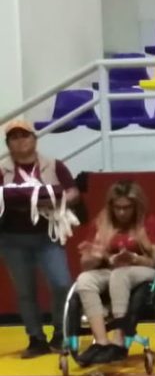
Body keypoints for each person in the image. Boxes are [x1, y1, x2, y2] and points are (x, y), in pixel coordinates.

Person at [0, 118, 79, 356]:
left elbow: (73, 192)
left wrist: (55, 200)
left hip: (48, 236)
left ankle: (61, 332)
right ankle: (36, 338)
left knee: (61, 284)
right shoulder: (2, 169)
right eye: (14, 137)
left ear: (34, 139)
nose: (20, 141)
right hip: (13, 238)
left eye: (24, 135)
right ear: (8, 144)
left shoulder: (54, 165)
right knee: (25, 290)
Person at [73, 181, 155, 366]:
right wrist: (98, 256)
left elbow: (154, 261)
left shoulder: (150, 222)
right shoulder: (101, 223)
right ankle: (101, 341)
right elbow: (85, 265)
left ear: (136, 206)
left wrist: (133, 258)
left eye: (127, 208)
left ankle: (119, 339)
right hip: (111, 268)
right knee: (84, 280)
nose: (122, 212)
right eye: (117, 208)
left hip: (144, 270)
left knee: (120, 275)